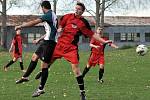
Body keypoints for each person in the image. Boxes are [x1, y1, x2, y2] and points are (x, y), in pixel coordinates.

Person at [15, 0, 57, 97]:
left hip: (50, 43)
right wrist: (39, 39)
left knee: (44, 66)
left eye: (41, 8)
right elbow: (50, 31)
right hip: (46, 41)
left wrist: (21, 26)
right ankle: (25, 77)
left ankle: (41, 89)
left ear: (43, 7)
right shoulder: (52, 15)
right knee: (34, 57)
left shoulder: (48, 14)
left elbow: (34, 22)